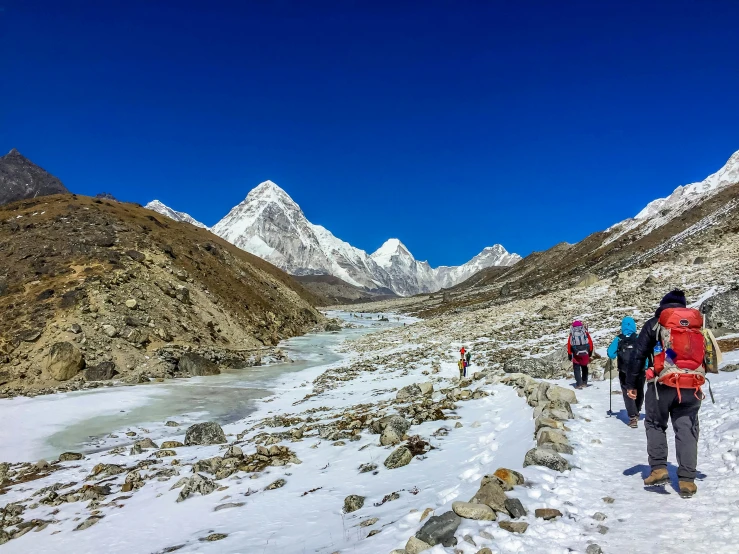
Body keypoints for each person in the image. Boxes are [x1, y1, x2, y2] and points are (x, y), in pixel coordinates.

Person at [626, 290, 706, 497]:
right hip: (691, 385)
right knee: (687, 429)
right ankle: (688, 481)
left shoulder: (656, 323)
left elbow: (638, 355)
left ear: (664, 306)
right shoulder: (695, 324)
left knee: (655, 423)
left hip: (661, 384)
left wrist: (631, 384)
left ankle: (659, 469)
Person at [607, 316, 645, 428]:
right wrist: (646, 366)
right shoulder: (639, 337)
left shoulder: (619, 339)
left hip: (624, 371)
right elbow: (646, 353)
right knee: (639, 391)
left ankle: (632, 417)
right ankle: (637, 411)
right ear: (634, 326)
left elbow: (611, 354)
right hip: (639, 370)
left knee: (627, 393)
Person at [567, 320, 593, 389]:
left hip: (576, 354)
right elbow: (590, 342)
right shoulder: (584, 332)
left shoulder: (572, 333)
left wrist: (569, 354)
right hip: (585, 353)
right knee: (584, 367)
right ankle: (584, 382)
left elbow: (569, 344)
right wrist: (590, 352)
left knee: (576, 368)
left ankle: (579, 383)